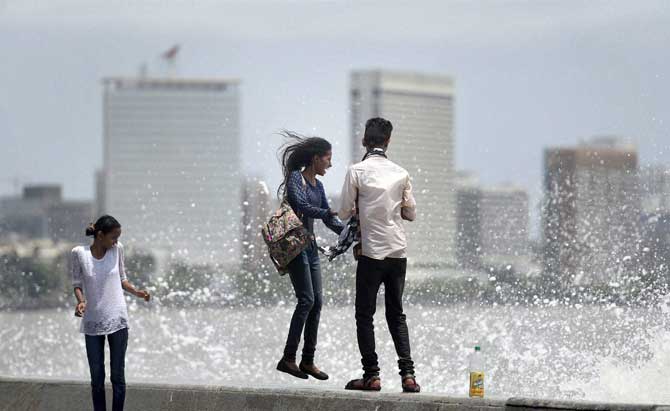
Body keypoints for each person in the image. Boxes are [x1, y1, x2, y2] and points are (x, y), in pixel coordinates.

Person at [339, 117, 420, 392]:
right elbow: (410, 213)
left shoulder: (356, 171)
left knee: (365, 314)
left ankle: (372, 375)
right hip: (397, 252)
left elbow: (344, 211)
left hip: (371, 252)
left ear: (364, 140)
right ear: (388, 141)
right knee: (396, 314)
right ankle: (408, 376)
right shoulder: (401, 173)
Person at [275, 131, 344, 380]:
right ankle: (288, 358)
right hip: (295, 247)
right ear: (316, 158)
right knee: (306, 300)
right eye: (328, 158)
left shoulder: (320, 185)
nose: (330, 163)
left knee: (317, 302)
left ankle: (308, 361)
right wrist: (326, 214)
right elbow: (302, 206)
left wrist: (350, 232)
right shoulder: (296, 179)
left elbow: (328, 217)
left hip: (311, 248)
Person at [71, 215, 151, 411]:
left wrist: (137, 292)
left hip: (117, 319)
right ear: (100, 235)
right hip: (92, 321)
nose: (116, 241)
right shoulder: (79, 253)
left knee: (117, 376)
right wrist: (81, 302)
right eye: (113, 237)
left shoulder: (117, 250)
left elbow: (122, 278)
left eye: (118, 237)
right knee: (97, 377)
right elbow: (77, 283)